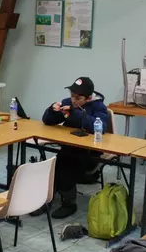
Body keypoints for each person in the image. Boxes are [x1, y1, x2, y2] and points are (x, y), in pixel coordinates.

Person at [34, 77, 108, 219]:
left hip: (90, 153)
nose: (73, 100)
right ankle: (47, 200)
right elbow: (47, 120)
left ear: (89, 98)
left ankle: (69, 203)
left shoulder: (98, 107)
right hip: (69, 149)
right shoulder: (68, 103)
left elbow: (101, 126)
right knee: (54, 166)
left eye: (78, 98)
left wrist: (75, 114)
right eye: (72, 96)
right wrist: (53, 111)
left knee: (64, 166)